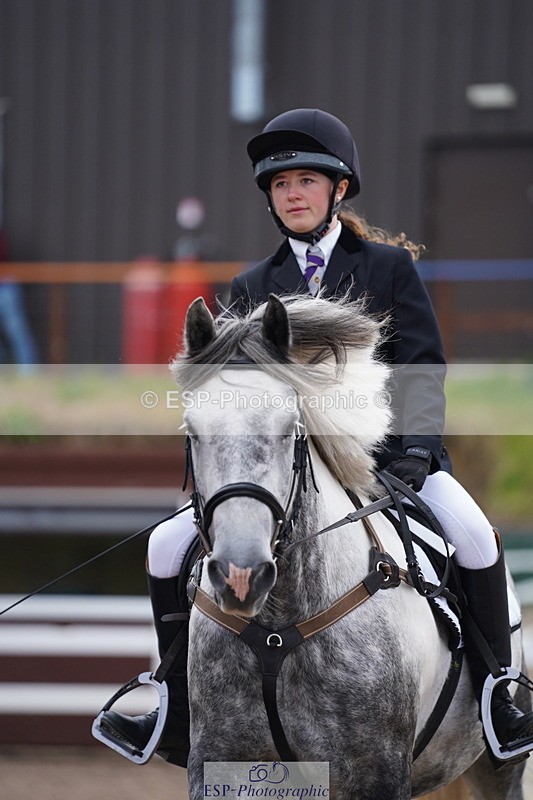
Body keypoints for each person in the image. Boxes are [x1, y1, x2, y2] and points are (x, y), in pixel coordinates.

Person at [96, 108, 533, 768]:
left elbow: (420, 364)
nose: (293, 194)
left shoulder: (384, 268)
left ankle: (500, 691)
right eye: (280, 185)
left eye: (305, 180)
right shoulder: (250, 286)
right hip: (283, 471)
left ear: (338, 189)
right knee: (165, 544)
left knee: (473, 536)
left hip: (392, 464)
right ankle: (174, 699)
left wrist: (415, 448)